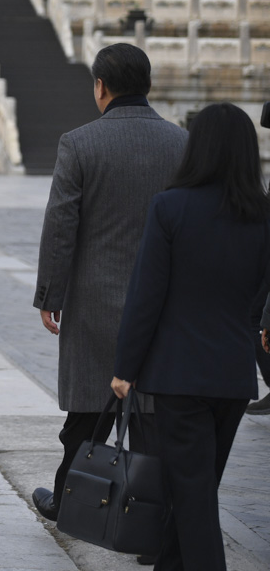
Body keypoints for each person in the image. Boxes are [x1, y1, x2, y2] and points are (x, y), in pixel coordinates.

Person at [31, 43, 187, 536]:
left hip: (94, 300)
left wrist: (50, 294)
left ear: (100, 86)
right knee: (153, 414)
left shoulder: (79, 143)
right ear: (146, 85)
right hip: (162, 304)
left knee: (86, 411)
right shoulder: (182, 144)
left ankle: (69, 495)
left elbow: (62, 225)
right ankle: (151, 513)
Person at [112, 103, 270, 571]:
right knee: (198, 486)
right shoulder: (262, 215)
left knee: (194, 494)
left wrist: (125, 367)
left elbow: (146, 296)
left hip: (179, 373)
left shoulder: (171, 207)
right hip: (234, 376)